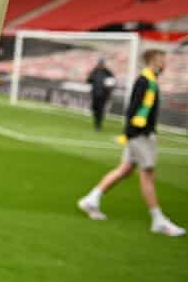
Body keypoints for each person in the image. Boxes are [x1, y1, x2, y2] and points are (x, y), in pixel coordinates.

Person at [77, 49, 185, 237]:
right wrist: (137, 133)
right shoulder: (144, 81)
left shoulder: (150, 80)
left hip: (139, 133)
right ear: (152, 61)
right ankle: (158, 219)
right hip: (139, 135)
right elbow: (134, 109)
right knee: (148, 174)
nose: (164, 64)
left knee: (126, 169)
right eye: (161, 60)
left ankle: (91, 199)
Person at [86, 58, 115, 131]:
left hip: (103, 95)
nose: (100, 65)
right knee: (95, 109)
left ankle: (98, 125)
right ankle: (97, 124)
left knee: (100, 110)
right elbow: (89, 81)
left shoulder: (108, 73)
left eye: (101, 63)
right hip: (95, 94)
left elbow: (111, 84)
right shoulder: (94, 71)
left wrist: (109, 93)